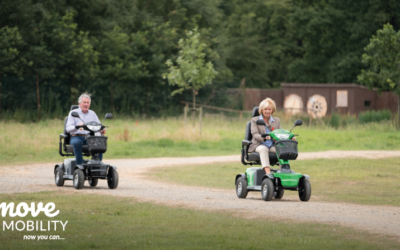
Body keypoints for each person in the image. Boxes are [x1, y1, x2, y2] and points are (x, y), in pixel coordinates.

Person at [66, 92, 106, 165]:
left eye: (88, 102)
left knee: (99, 142)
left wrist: (101, 131)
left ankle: (97, 164)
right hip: (76, 136)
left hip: (89, 137)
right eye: (84, 102)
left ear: (89, 104)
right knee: (77, 143)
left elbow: (98, 125)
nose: (86, 104)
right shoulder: (73, 113)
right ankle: (80, 165)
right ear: (79, 104)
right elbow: (68, 128)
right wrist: (77, 126)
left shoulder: (92, 114)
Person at [248, 98, 282, 174]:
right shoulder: (254, 120)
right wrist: (264, 138)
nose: (267, 111)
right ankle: (268, 173)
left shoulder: (276, 120)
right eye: (265, 109)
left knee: (282, 149)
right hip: (259, 144)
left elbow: (280, 133)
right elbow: (255, 134)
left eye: (269, 109)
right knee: (263, 149)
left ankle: (284, 172)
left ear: (272, 110)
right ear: (261, 110)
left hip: (272, 145)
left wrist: (288, 137)